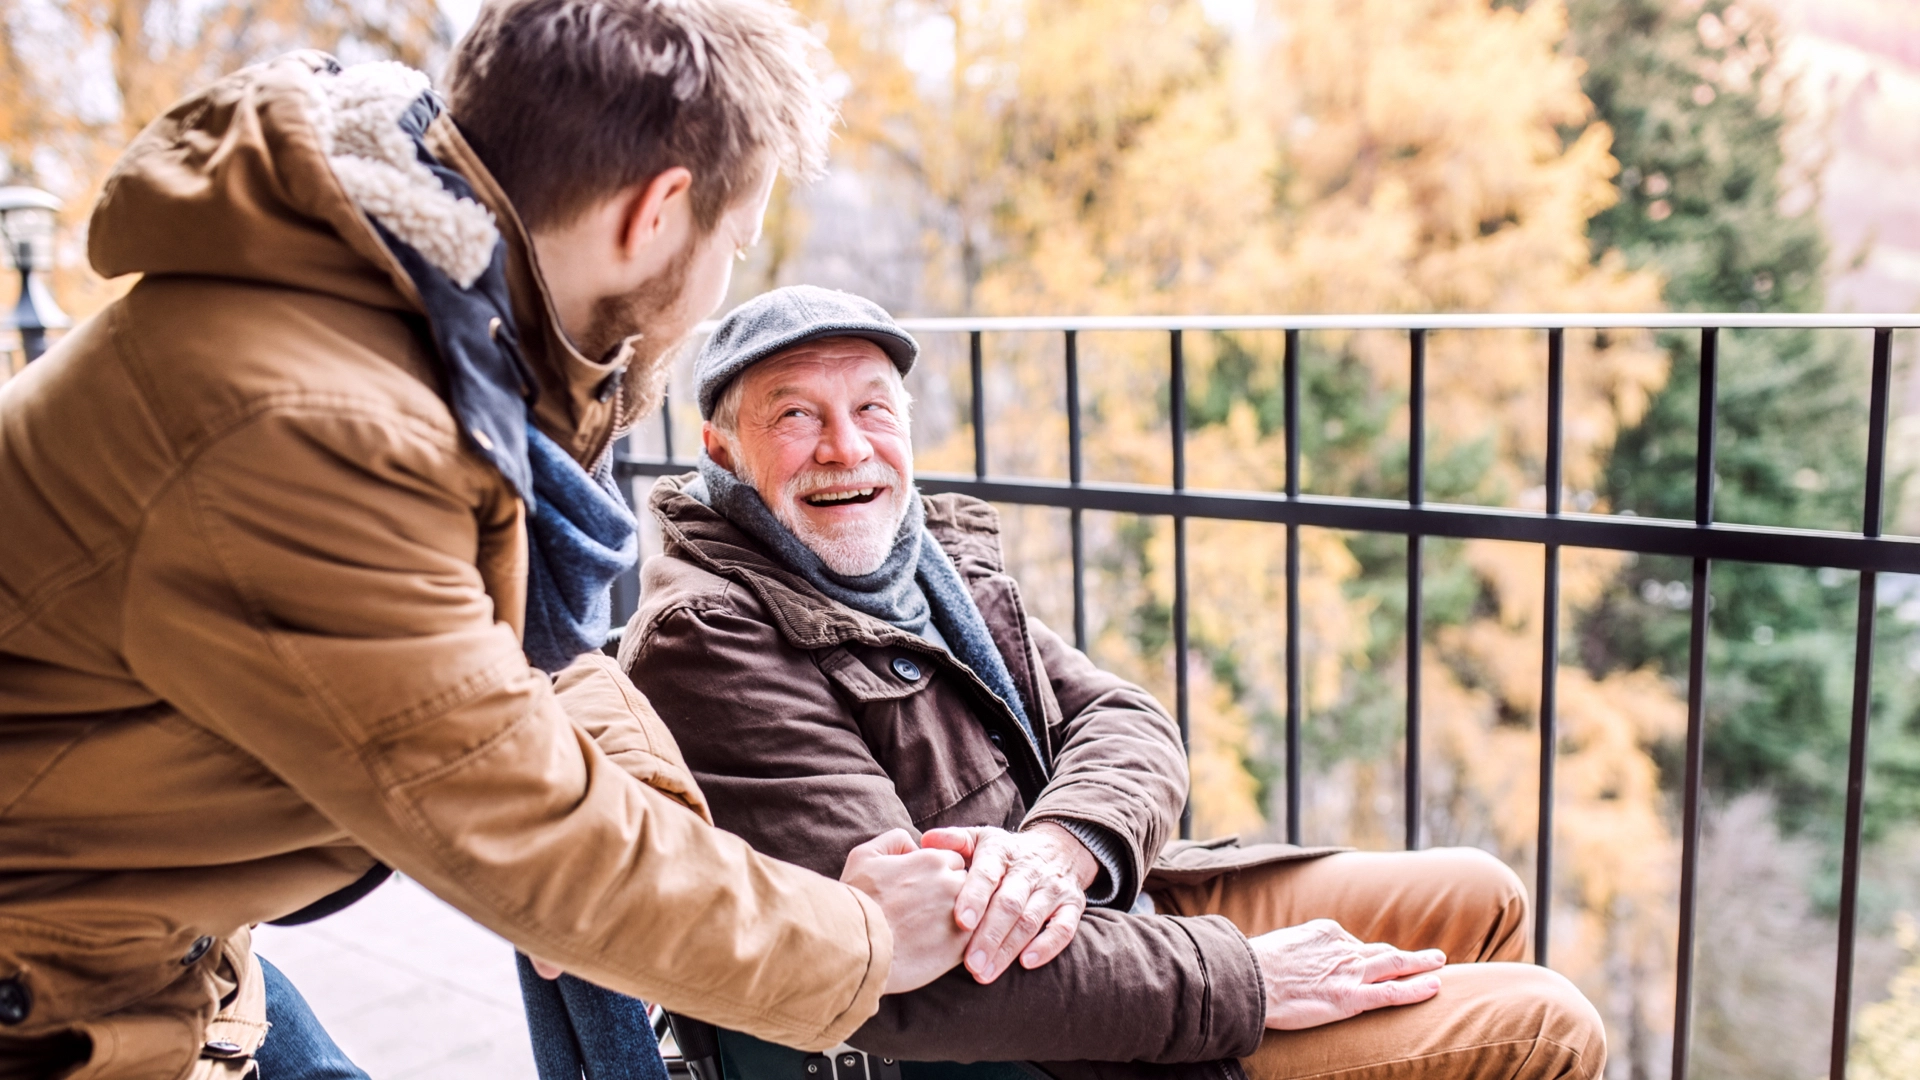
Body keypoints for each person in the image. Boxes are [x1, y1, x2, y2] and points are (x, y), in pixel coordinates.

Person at [0, 4, 975, 1077]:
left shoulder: (416, 324)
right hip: (55, 980)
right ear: (657, 215)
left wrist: (660, 837)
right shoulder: (318, 428)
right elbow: (526, 832)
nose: (711, 298)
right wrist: (867, 943)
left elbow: (527, 665)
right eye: (732, 246)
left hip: (149, 931)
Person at [612, 285, 1609, 1080]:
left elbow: (1124, 719)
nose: (847, 448)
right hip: (1058, 1025)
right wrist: (1243, 977)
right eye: (796, 416)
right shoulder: (711, 634)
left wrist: (1061, 848)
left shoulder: (912, 561)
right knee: (1550, 1028)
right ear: (721, 449)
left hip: (1110, 913)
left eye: (872, 409)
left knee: (1480, 894)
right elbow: (902, 982)